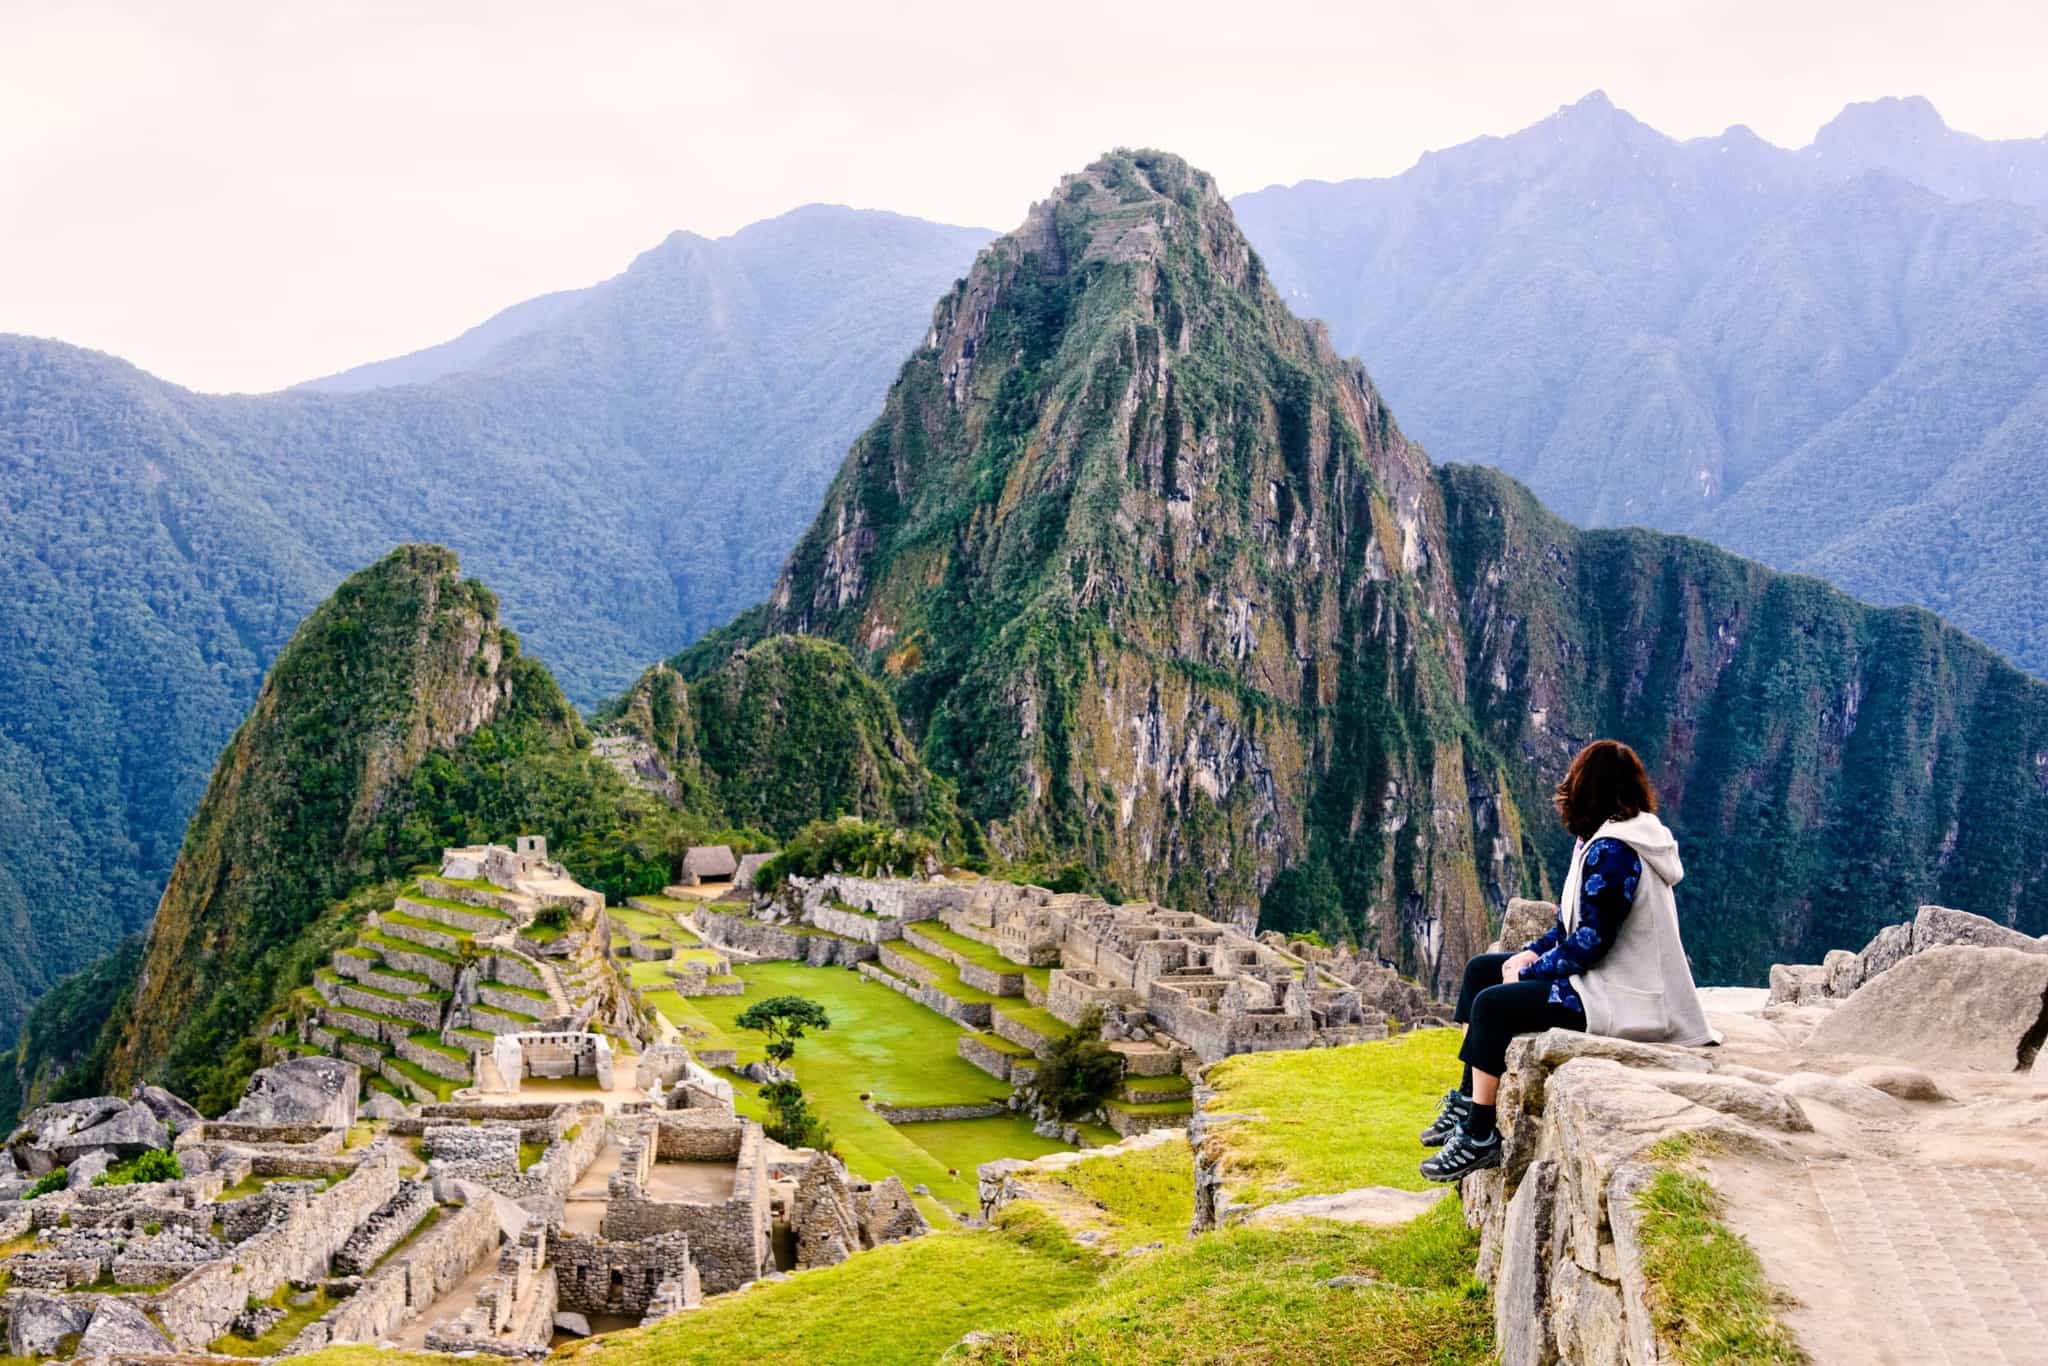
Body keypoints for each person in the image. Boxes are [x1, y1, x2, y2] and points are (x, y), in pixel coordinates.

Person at [1418, 739, 1720, 1182]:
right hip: (1600, 980)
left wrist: (1530, 970)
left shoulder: (1615, 851)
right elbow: (1567, 927)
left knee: (1493, 1005)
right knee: (1481, 970)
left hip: (1620, 995)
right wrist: (1529, 953)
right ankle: (1468, 1100)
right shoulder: (1600, 841)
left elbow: (1591, 943)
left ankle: (1481, 1135)